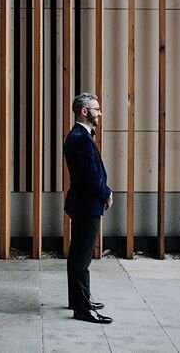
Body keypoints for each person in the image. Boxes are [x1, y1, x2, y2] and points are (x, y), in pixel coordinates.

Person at [63, 93, 113, 324]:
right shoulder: (80, 138)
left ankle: (79, 300)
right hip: (86, 205)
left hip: (82, 204)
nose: (100, 113)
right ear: (84, 111)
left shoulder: (78, 136)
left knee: (78, 257)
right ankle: (83, 309)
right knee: (82, 260)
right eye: (96, 109)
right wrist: (106, 193)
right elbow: (91, 176)